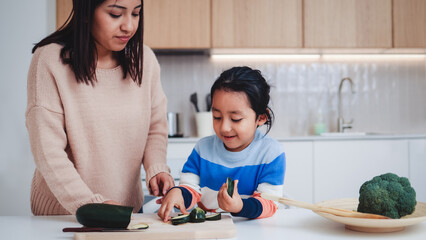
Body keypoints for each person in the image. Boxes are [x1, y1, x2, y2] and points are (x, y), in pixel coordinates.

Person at [25, 0, 174, 215]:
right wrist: (91, 206)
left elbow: (155, 128)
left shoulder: (144, 60)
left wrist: (156, 167)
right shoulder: (50, 60)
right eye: (115, 14)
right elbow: (48, 152)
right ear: (86, 12)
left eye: (136, 14)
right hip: (65, 215)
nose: (129, 26)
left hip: (126, 213)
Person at [157, 66, 286, 221]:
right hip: (209, 227)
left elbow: (269, 202)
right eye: (217, 117)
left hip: (250, 228)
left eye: (236, 119)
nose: (224, 128)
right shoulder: (202, 149)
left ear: (261, 117)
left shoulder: (271, 153)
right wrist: (178, 193)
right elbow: (190, 188)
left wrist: (240, 207)